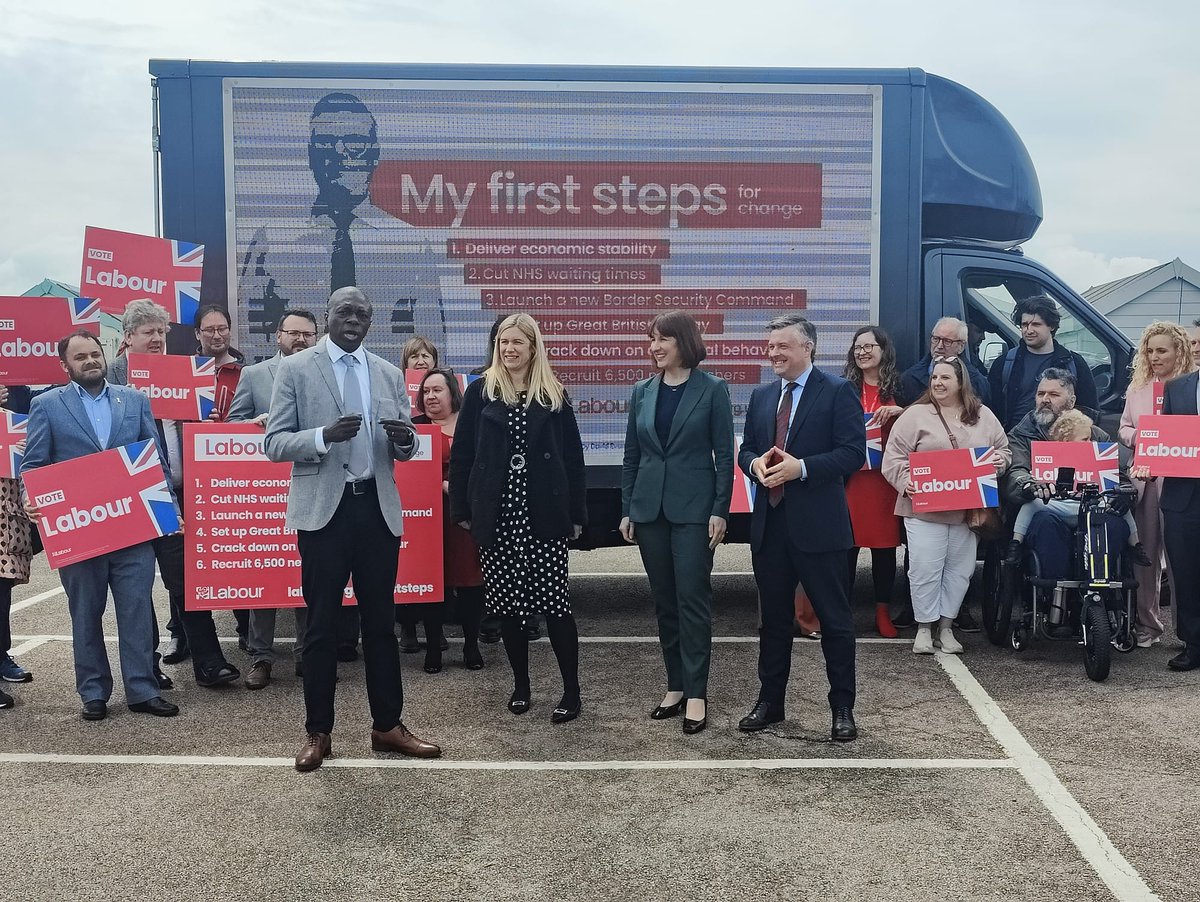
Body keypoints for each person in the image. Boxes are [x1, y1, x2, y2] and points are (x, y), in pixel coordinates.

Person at [266, 286, 441, 770]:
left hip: (375, 510)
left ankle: (387, 726)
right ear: (328, 316)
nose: (353, 320)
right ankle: (318, 732)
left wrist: (405, 443)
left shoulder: (386, 373)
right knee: (321, 627)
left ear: (370, 322)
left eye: (362, 314)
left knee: (381, 625)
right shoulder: (297, 368)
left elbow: (403, 447)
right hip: (325, 513)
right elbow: (274, 442)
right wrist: (324, 436)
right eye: (344, 311)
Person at [21, 330, 179, 721]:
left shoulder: (136, 400)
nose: (90, 361)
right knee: (86, 613)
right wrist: (31, 497)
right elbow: (34, 465)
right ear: (65, 365)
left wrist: (170, 511)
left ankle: (142, 689)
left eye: (95, 354)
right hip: (79, 533)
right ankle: (93, 692)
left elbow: (155, 462)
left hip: (131, 531)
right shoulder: (46, 405)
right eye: (80, 357)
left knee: (138, 610)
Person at [449, 313, 586, 724]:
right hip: (499, 515)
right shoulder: (480, 392)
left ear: (533, 348)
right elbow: (464, 457)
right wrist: (463, 509)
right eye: (503, 342)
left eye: (517, 343)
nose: (509, 349)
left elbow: (573, 460)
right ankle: (522, 685)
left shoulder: (553, 395)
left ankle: (571, 690)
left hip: (543, 514)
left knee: (555, 605)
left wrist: (576, 514)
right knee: (509, 608)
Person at [237, 92, 447, 360]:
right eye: (325, 144)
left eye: (353, 143)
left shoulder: (409, 245)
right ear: (311, 154)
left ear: (374, 154)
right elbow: (252, 337)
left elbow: (432, 346)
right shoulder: (272, 240)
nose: (338, 154)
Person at [737, 313, 864, 741]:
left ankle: (842, 708)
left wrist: (802, 469)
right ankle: (770, 702)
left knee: (835, 620)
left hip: (820, 529)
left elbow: (851, 454)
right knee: (773, 621)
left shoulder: (838, 391)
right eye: (770, 346)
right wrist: (753, 464)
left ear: (807, 347)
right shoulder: (761, 395)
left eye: (782, 346)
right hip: (771, 527)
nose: (773, 353)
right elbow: (749, 449)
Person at [109, 300, 238, 689]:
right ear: (128, 337)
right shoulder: (111, 377)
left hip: (177, 494)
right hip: (131, 495)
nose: (157, 339)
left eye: (162, 332)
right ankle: (146, 668)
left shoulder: (184, 372)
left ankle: (209, 663)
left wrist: (209, 423)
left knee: (184, 580)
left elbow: (196, 428)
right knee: (135, 587)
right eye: (148, 332)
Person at [620, 311, 733, 735]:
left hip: (694, 512)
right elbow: (632, 455)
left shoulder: (712, 389)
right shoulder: (642, 391)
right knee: (664, 600)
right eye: (651, 339)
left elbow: (724, 456)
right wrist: (628, 507)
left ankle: (697, 692)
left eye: (661, 339)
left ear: (683, 342)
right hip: (649, 512)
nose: (654, 347)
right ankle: (675, 685)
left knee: (692, 600)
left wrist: (720, 509)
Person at [882, 356, 1010, 655]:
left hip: (967, 512)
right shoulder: (915, 415)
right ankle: (924, 628)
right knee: (925, 569)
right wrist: (905, 481)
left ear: (961, 382)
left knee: (960, 570)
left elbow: (1003, 450)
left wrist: (999, 462)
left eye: (945, 378)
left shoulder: (983, 415)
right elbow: (893, 457)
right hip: (924, 509)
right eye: (934, 378)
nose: (938, 383)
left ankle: (946, 627)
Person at [226, 308, 320, 688]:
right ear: (278, 336)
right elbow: (230, 426)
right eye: (293, 333)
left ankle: (305, 654)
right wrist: (254, 425)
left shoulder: (324, 373)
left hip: (309, 483)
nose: (300, 339)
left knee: (305, 574)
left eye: (308, 334)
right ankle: (261, 656)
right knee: (264, 574)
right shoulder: (253, 375)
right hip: (261, 492)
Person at [1003, 372, 1147, 563]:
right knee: (1045, 525)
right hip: (1048, 507)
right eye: (1040, 394)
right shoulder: (1021, 435)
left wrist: (1124, 493)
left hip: (1091, 505)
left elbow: (1116, 473)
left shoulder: (1096, 435)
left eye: (1054, 395)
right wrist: (1030, 485)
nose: (1045, 400)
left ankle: (1102, 585)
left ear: (1071, 401)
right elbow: (1016, 472)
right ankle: (1052, 587)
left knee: (1113, 525)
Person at [1118, 321, 1196, 648]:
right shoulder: (1137, 389)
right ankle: (1147, 626)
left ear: (1179, 350)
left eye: (1161, 350)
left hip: (1182, 481)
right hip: (1146, 481)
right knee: (1145, 556)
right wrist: (1140, 437)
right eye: (1149, 351)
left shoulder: (1191, 386)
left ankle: (1187, 631)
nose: (1154, 356)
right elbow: (1123, 428)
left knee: (1184, 558)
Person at [412, 367, 486, 672]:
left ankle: (471, 645)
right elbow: (405, 471)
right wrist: (439, 485)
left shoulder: (471, 423)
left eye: (437, 390)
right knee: (433, 585)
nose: (430, 396)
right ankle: (433, 648)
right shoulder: (415, 427)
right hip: (429, 518)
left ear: (452, 393)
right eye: (426, 391)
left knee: (471, 583)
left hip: (466, 518)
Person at [842, 325, 905, 637]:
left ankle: (882, 613)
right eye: (858, 346)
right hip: (852, 481)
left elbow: (925, 419)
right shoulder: (844, 387)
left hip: (886, 483)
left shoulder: (901, 387)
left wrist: (899, 412)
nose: (863, 351)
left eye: (869, 346)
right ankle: (842, 615)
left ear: (884, 351)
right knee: (846, 548)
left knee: (884, 550)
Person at [397, 334, 448, 656]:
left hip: (440, 505)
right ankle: (407, 628)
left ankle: (436, 629)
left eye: (426, 355)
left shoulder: (449, 404)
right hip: (407, 500)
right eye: (414, 356)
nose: (420, 361)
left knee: (436, 568)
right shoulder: (401, 404)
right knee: (406, 566)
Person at [988, 296, 1098, 430]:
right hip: (1015, 443)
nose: (1029, 330)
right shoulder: (1004, 363)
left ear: (1051, 326)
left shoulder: (1074, 363)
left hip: (1058, 442)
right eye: (1024, 324)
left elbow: (1089, 412)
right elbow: (990, 410)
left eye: (1036, 324)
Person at [1156, 364, 1200, 671]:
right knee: (1185, 574)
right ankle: (1194, 644)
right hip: (1183, 497)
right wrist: (1149, 462)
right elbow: (1164, 438)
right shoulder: (1176, 387)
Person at [0, 385, 34, 706]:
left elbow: (29, 464)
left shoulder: (15, 417)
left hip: (7, 519)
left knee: (1, 590)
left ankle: (1, 655)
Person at [897, 317, 991, 407]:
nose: (939, 346)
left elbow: (982, 420)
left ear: (961, 346)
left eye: (947, 341)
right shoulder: (909, 378)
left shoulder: (976, 382)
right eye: (936, 339)